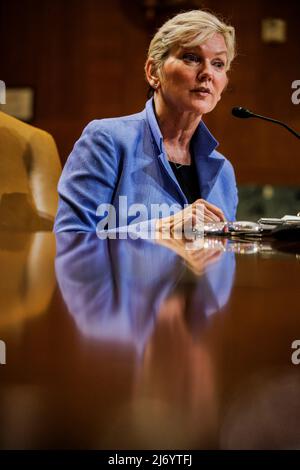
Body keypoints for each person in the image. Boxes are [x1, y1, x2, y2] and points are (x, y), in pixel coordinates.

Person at [54, 9, 238, 233]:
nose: (207, 73)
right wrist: (160, 230)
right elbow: (70, 239)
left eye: (218, 64)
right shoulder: (107, 141)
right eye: (191, 58)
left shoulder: (224, 172)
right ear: (153, 72)